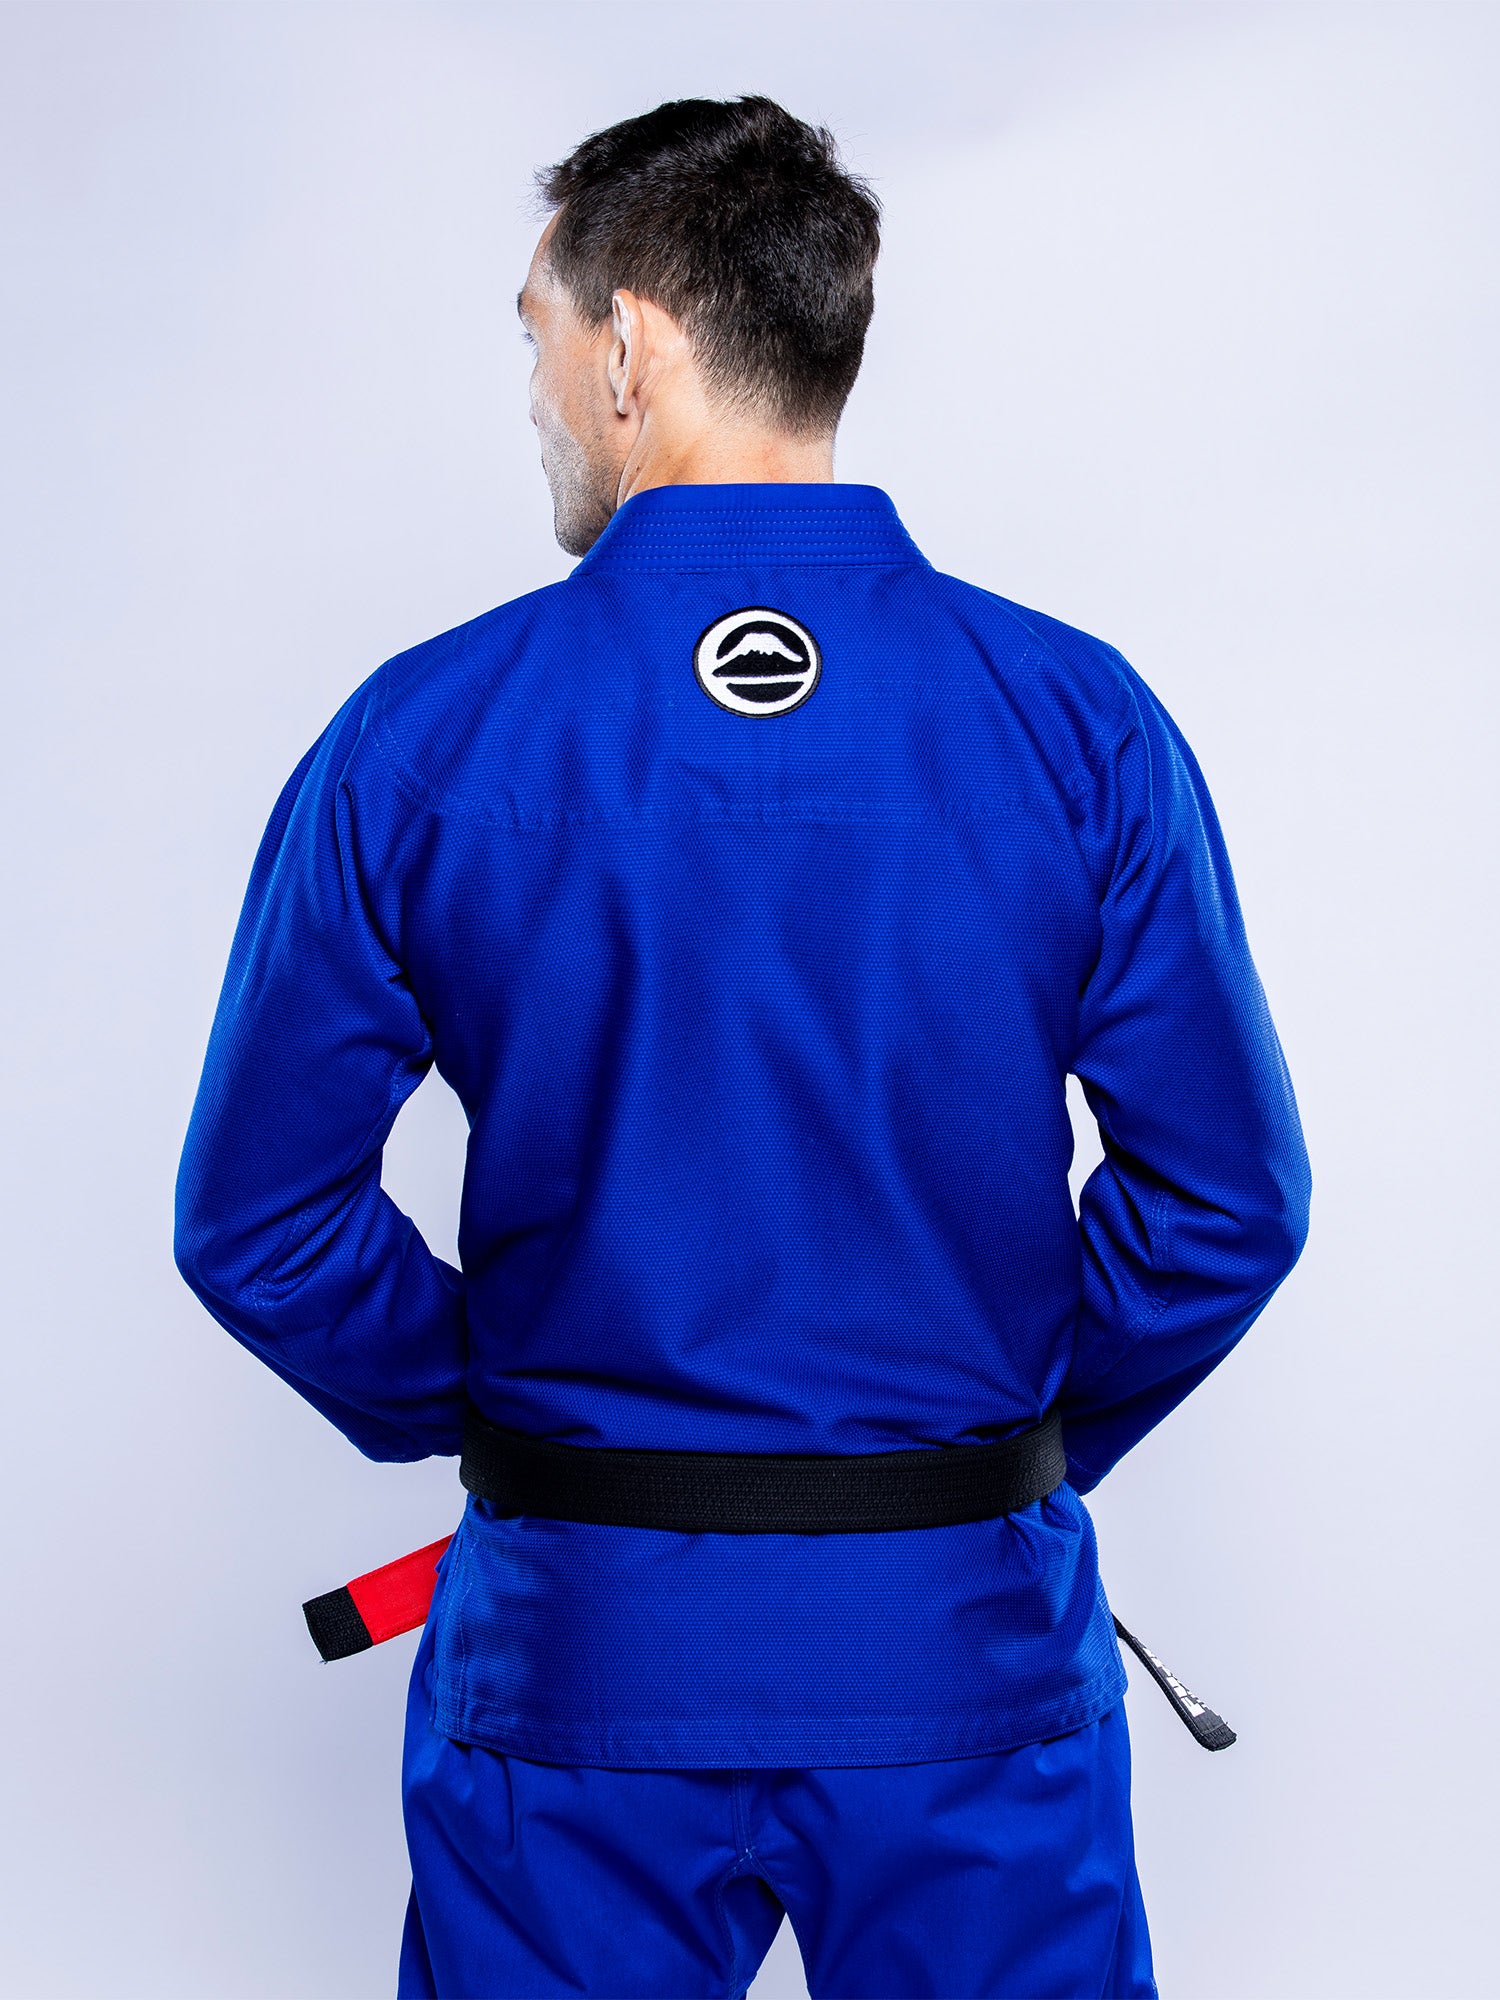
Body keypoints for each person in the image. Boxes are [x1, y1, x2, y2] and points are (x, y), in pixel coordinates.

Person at [175, 95, 1310, 2000]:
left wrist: (513, 1406)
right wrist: (996, 1439)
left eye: (535, 330)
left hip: (581, 1642)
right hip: (957, 1642)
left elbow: (262, 1223)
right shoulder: (1075, 727)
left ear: (629, 345)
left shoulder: (427, 741)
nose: (534, 388)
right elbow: (1223, 1205)